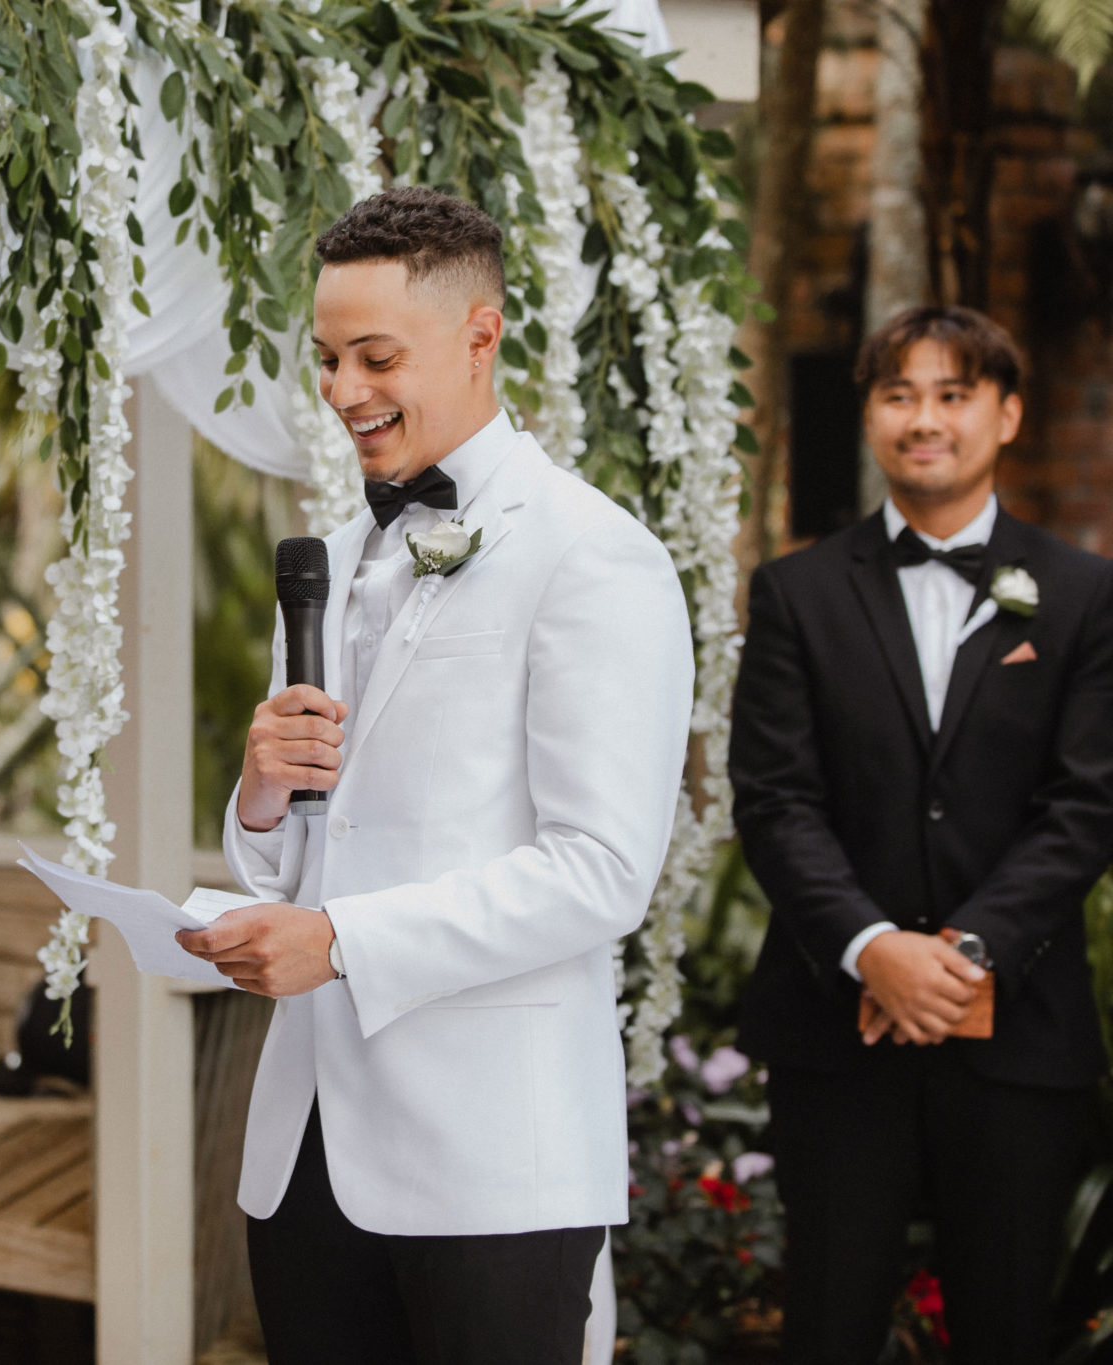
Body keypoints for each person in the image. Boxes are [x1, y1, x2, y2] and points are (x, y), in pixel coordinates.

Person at [179, 187, 694, 1364]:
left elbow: (600, 871)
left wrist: (343, 941)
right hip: (305, 1151)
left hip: (490, 1162)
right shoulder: (337, 552)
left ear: (479, 335)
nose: (342, 391)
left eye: (373, 357)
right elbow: (313, 842)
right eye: (325, 359)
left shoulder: (593, 554)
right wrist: (260, 793)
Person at [733, 306, 1113, 1364]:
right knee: (828, 1322)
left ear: (1006, 414)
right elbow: (772, 798)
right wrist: (871, 949)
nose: (923, 418)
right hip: (833, 1034)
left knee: (1002, 1328)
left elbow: (1086, 803)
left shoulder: (1081, 597)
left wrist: (965, 953)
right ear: (867, 416)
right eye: (897, 393)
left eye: (951, 394)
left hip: (1016, 1037)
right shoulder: (796, 592)